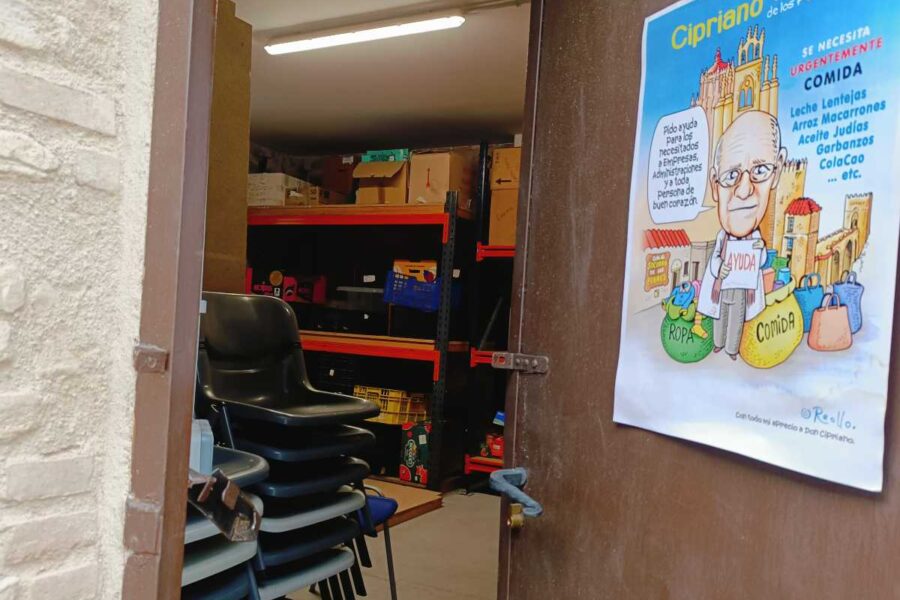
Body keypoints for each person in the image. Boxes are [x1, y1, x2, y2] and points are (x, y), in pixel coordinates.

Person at [697, 111, 787, 361]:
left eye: (760, 170)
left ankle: (731, 349)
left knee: (736, 318)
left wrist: (759, 251)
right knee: (720, 317)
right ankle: (718, 343)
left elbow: (760, 262)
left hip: (741, 290)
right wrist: (719, 268)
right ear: (715, 184)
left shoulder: (754, 238)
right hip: (722, 286)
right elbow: (715, 257)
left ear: (777, 170)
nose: (745, 190)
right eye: (731, 175)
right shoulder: (722, 238)